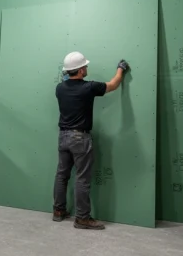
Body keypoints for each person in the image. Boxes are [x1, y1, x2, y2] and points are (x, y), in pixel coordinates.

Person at [53, 52, 129, 229]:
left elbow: (68, 81)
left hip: (63, 136)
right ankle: (82, 218)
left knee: (61, 175)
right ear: (79, 71)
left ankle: (58, 211)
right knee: (82, 179)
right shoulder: (88, 88)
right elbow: (113, 85)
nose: (87, 68)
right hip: (80, 138)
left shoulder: (59, 88)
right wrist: (121, 69)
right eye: (85, 66)